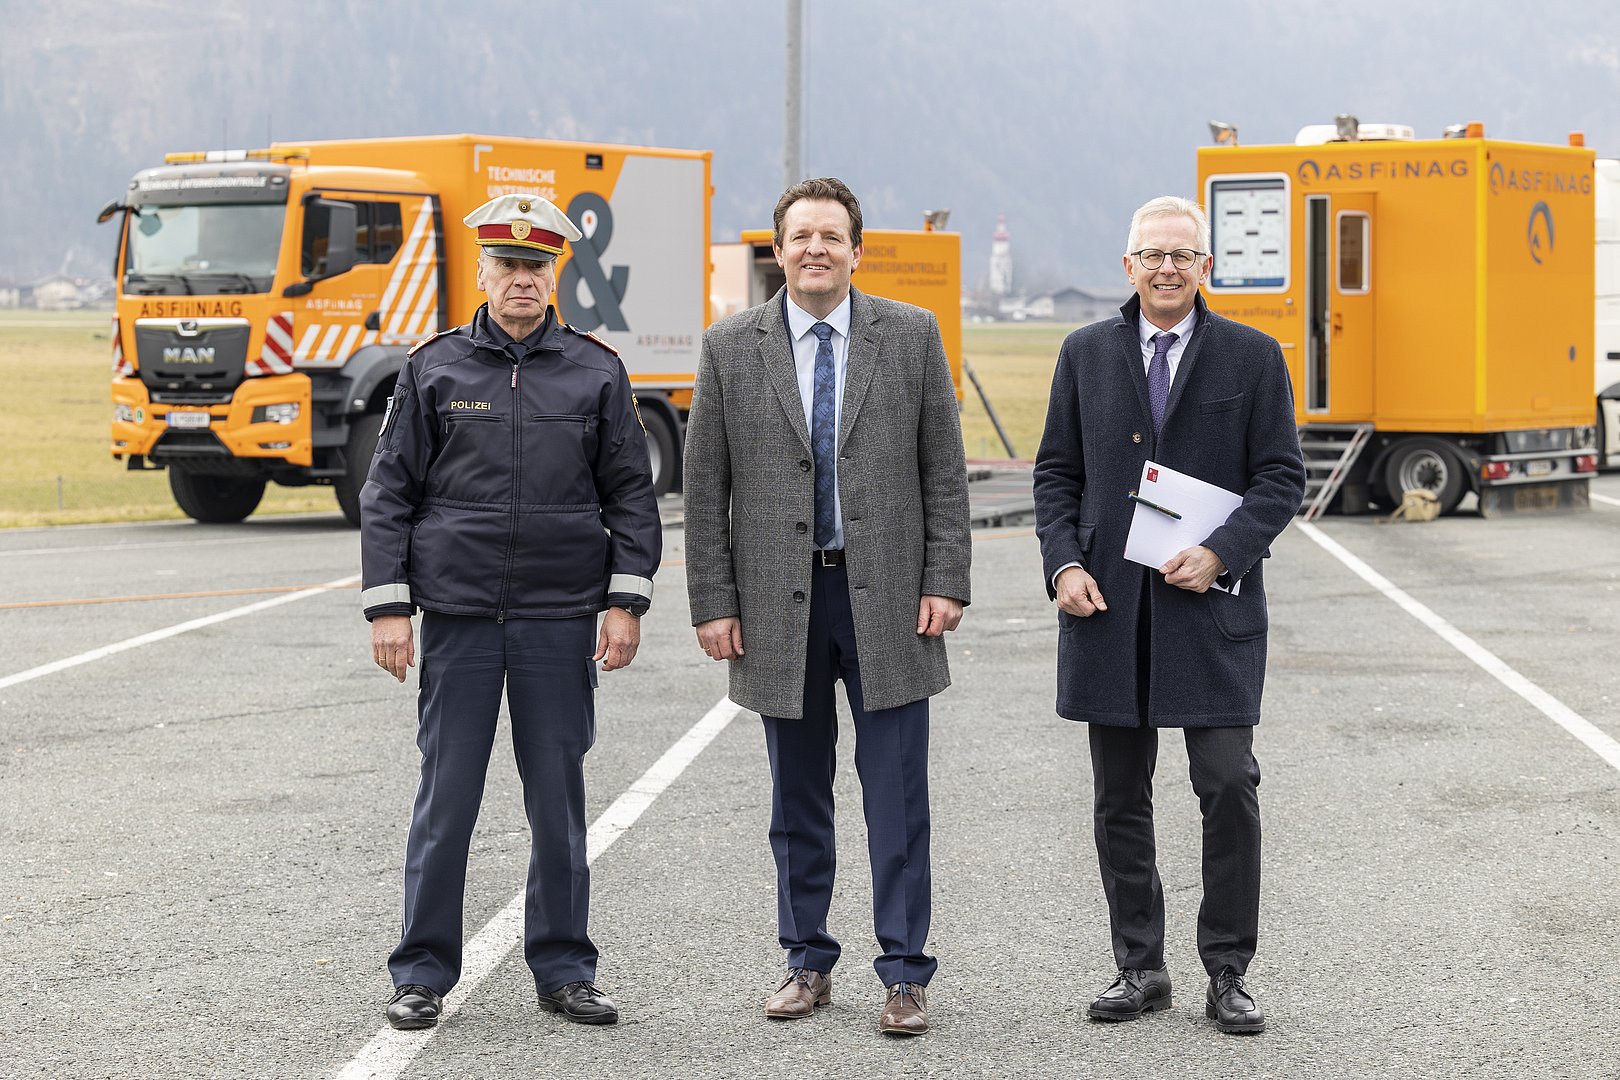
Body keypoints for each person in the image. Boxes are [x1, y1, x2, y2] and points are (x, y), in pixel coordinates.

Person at [360, 193, 659, 1031]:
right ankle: (422, 973)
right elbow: (388, 493)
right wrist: (389, 609)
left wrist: (625, 600)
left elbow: (631, 495)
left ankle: (564, 971)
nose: (522, 279)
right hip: (457, 618)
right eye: (507, 265)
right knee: (445, 801)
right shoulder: (434, 368)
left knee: (557, 804)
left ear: (554, 274)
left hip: (558, 620)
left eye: (536, 265)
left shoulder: (596, 371)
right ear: (484, 272)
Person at [682, 177, 971, 1037]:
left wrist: (945, 579)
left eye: (831, 236)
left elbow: (943, 471)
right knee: (797, 799)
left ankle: (905, 973)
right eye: (800, 236)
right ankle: (806, 959)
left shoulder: (911, 336)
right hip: (779, 605)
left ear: (856, 250)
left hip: (889, 601)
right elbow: (704, 489)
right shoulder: (730, 347)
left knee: (897, 798)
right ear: (777, 251)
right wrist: (714, 601)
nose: (816, 249)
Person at [1032, 196, 1304, 1035]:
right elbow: (1056, 474)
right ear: (1129, 266)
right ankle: (1140, 967)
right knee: (1120, 796)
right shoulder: (1084, 354)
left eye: (1182, 255)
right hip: (1109, 610)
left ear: (1205, 267)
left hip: (1210, 613)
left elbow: (1281, 477)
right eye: (1152, 255)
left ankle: (1228, 970)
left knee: (1228, 786)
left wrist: (1223, 551)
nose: (1167, 268)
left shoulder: (1252, 356)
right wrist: (1064, 564)